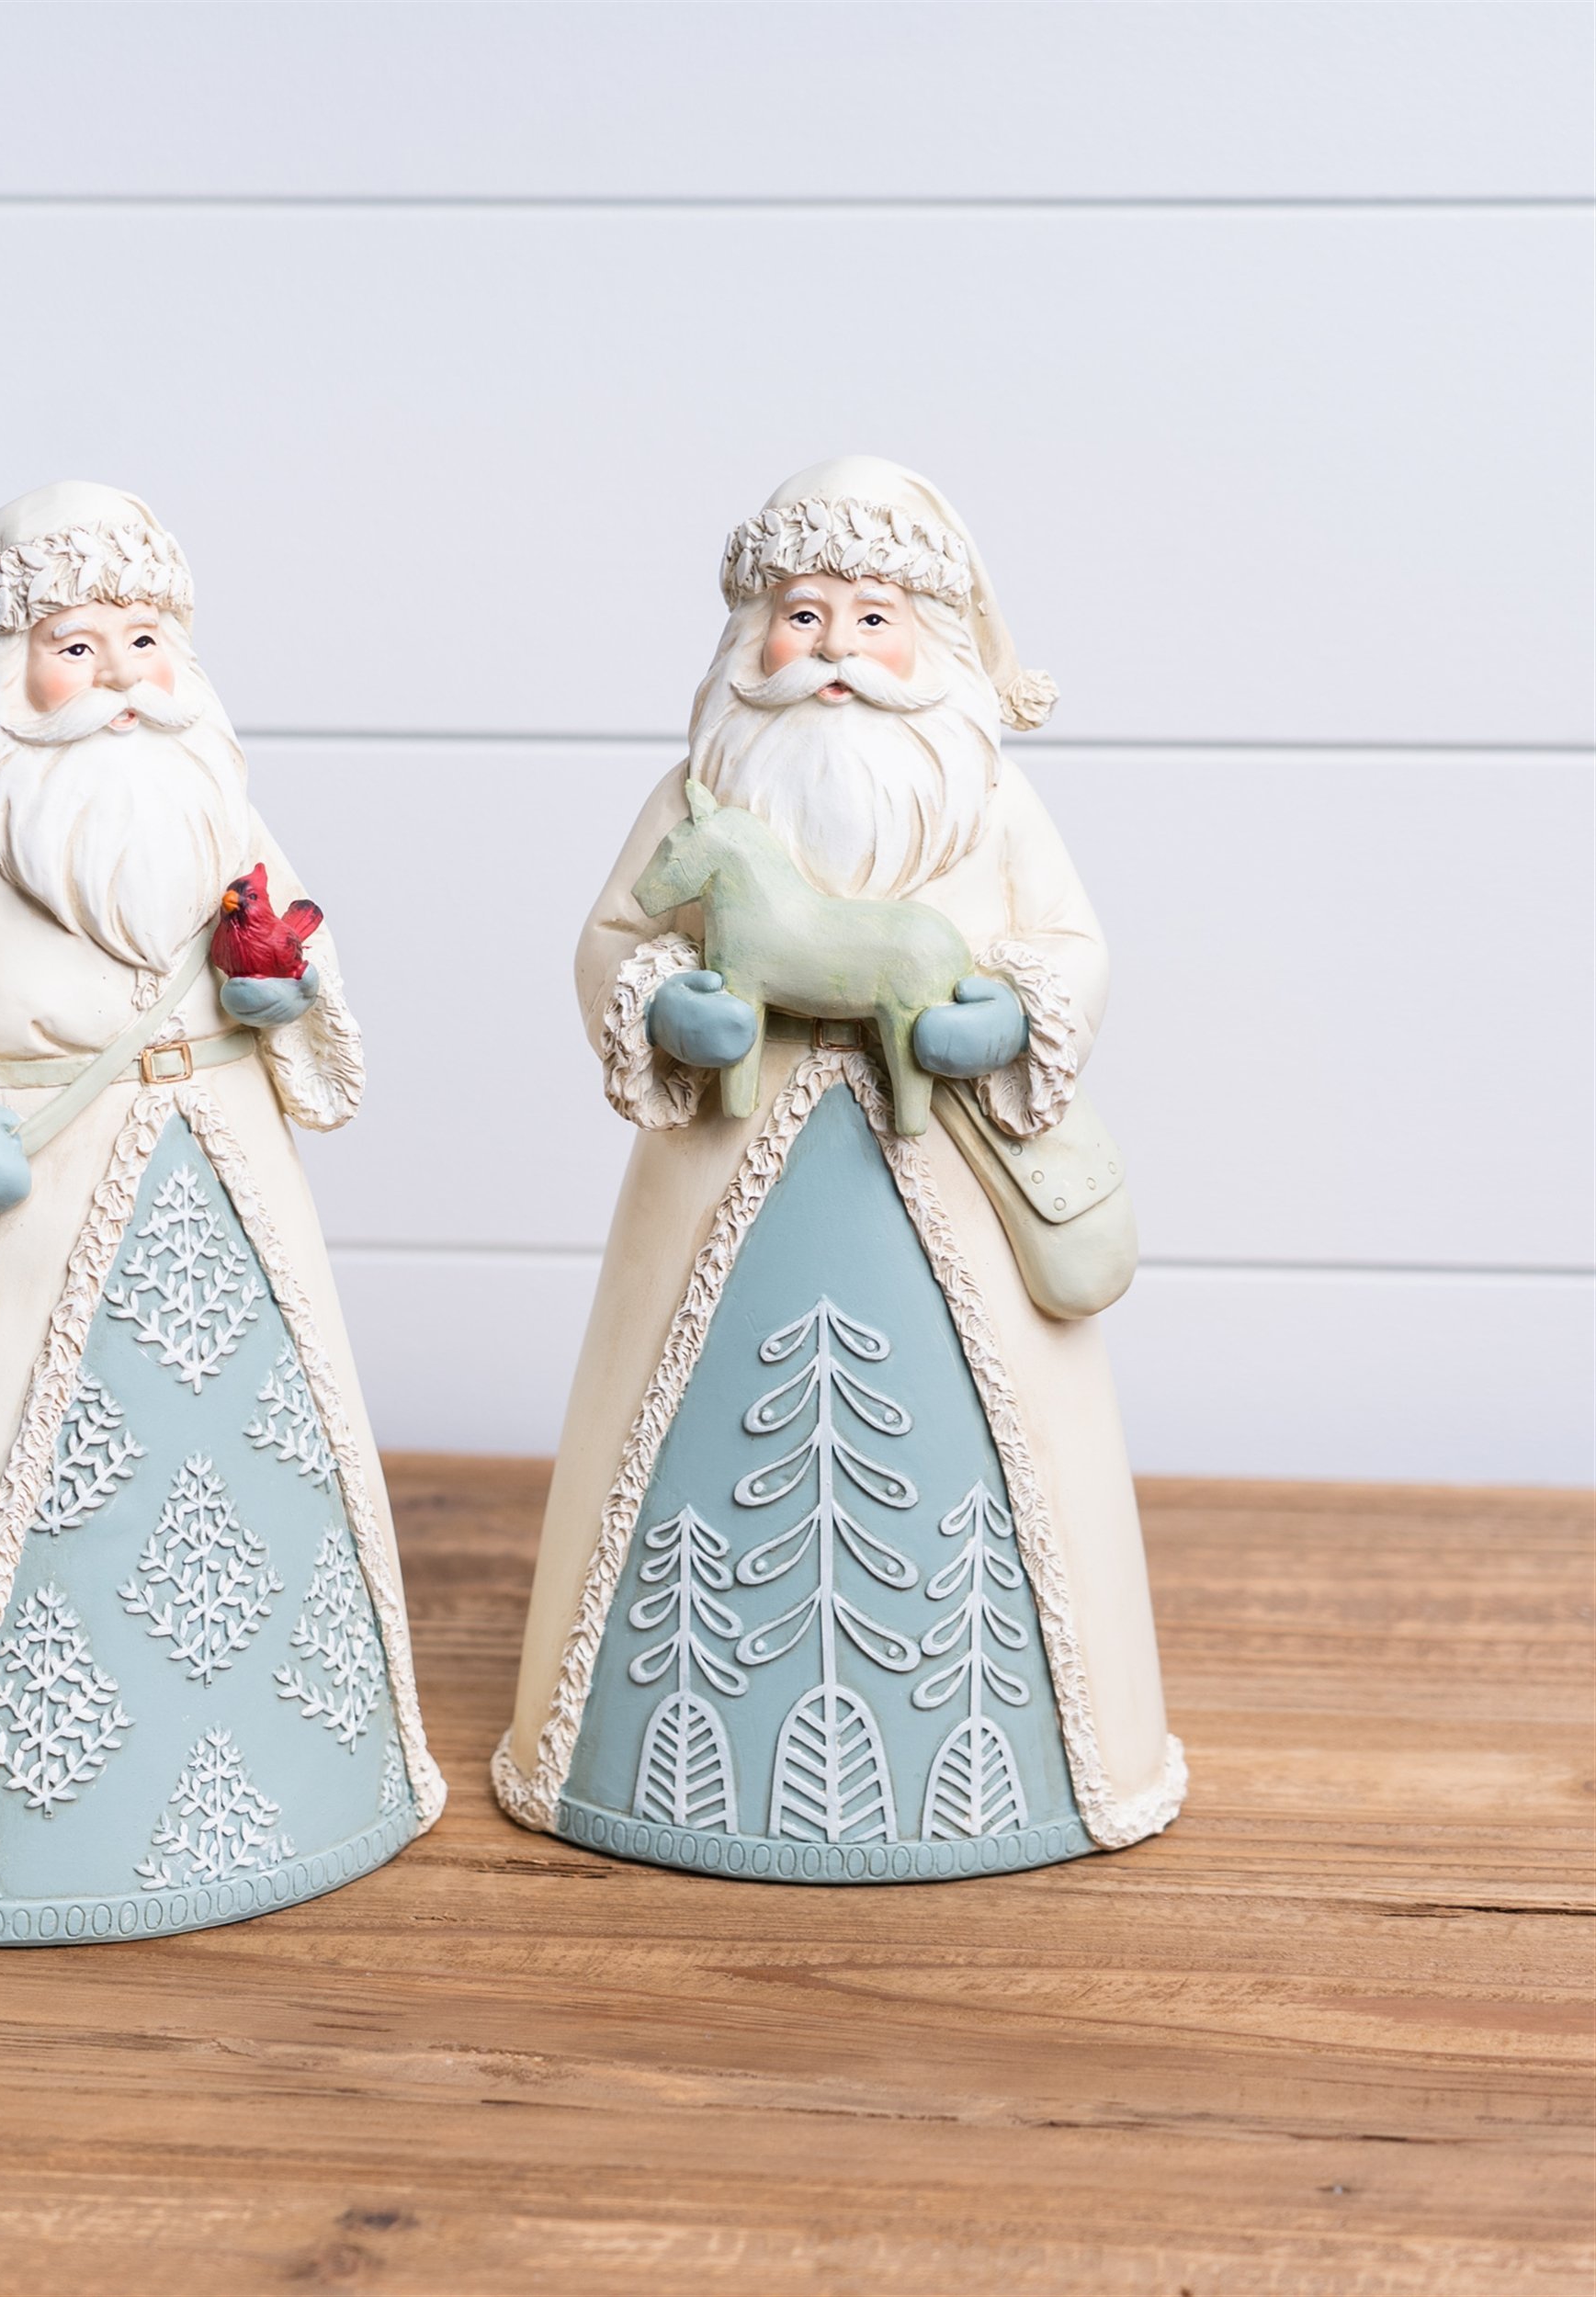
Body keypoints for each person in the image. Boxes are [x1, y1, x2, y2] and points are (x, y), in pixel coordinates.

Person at [0, 481, 441, 1944]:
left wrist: (282, 986)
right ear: (2, 671)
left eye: (144, 640)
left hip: (223, 1180)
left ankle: (302, 1786)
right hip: (32, 1195)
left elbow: (294, 936)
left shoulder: (217, 810)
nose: (122, 676)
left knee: (266, 1463)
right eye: (77, 646)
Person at [494, 457, 1183, 1881]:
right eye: (802, 616)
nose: (834, 653)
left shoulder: (989, 799)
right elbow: (615, 937)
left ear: (936, 639)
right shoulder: (698, 795)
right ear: (750, 636)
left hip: (951, 1168)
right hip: (723, 1168)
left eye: (874, 620)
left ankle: (1024, 1759)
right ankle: (639, 1754)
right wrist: (660, 1006)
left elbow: (1072, 944)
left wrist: (1014, 1012)